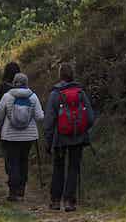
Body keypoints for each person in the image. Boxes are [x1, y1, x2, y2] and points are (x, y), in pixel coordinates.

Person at [43, 63, 95, 212]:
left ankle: (55, 201)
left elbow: (49, 121)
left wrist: (48, 140)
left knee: (58, 167)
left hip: (60, 138)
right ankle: (69, 201)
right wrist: (82, 130)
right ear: (72, 75)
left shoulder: (55, 94)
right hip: (78, 137)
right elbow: (90, 117)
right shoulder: (81, 93)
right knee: (73, 167)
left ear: (60, 75)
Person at [0, 73, 44, 202]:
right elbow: (40, 117)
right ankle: (21, 188)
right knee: (23, 160)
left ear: (14, 83)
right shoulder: (33, 97)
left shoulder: (7, 96)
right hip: (28, 136)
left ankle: (13, 191)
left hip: (10, 136)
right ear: (26, 83)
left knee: (12, 162)